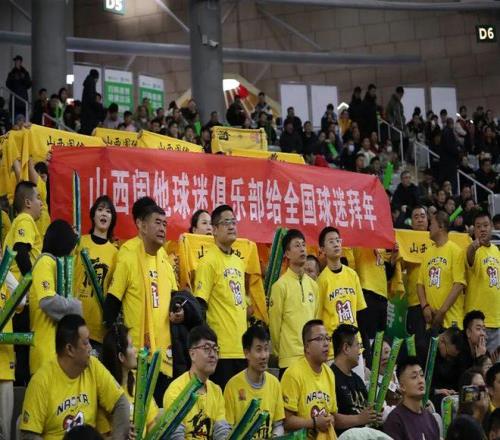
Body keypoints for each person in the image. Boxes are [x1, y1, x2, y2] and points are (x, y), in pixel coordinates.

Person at [104, 198, 177, 404]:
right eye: (157, 222)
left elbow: (174, 298)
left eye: (165, 224)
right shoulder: (128, 256)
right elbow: (112, 302)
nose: (162, 228)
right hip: (137, 357)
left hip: (165, 359)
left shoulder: (165, 260)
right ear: (142, 226)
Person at [20, 314, 130, 439]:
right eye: (86, 343)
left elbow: (120, 403)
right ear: (70, 349)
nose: (90, 348)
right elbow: (29, 435)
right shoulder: (41, 381)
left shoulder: (93, 366)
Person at [194, 205, 247, 389]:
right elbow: (200, 305)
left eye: (233, 222)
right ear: (215, 229)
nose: (232, 226)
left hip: (242, 349)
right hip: (221, 351)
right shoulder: (208, 261)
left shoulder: (239, 262)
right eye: (226, 222)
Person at [3, 181, 44, 384]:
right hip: (20, 297)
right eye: (38, 198)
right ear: (28, 202)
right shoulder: (25, 220)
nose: (41, 204)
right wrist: (29, 287)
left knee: (20, 349)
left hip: (15, 297)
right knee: (22, 351)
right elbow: (21, 251)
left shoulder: (21, 222)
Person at [29, 220, 82, 375]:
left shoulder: (56, 264)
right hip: (46, 353)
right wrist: (76, 307)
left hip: (56, 353)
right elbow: (48, 302)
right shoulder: (45, 262)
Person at [163, 325, 231, 439]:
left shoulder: (216, 391)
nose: (213, 354)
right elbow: (175, 435)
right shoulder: (176, 390)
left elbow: (222, 433)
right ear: (192, 354)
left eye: (215, 349)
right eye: (206, 348)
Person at [269, 229, 318, 377]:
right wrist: (280, 353)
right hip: (289, 359)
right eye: (297, 245)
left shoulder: (313, 285)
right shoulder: (280, 286)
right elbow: (275, 325)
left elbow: (316, 320)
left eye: (303, 245)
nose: (302, 248)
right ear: (287, 253)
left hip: (310, 357)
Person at [224, 325, 285, 438]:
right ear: (246, 353)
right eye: (258, 350)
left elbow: (278, 425)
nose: (264, 356)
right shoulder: (232, 386)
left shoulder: (274, 383)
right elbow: (227, 429)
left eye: (266, 349)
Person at [74, 196, 118, 352]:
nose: (104, 214)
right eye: (100, 210)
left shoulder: (115, 253)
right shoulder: (79, 242)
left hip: (98, 329)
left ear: (112, 219)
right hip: (75, 320)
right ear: (93, 216)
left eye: (108, 211)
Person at [98, 324, 158, 436]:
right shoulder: (103, 390)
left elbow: (151, 423)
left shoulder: (139, 380)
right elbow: (103, 436)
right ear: (121, 356)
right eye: (131, 346)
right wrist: (121, 433)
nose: (136, 350)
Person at [281, 320, 337, 438]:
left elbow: (332, 414)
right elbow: (286, 421)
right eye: (320, 339)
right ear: (307, 347)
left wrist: (330, 419)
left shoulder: (330, 373)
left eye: (327, 338)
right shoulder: (293, 374)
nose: (326, 343)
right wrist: (314, 423)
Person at [317, 227, 366, 360]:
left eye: (338, 240)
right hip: (334, 350)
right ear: (322, 249)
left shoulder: (352, 275)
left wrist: (364, 347)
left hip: (355, 346)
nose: (336, 244)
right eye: (331, 241)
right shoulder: (321, 281)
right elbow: (318, 319)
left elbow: (360, 313)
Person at [417, 211, 467, 329]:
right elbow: (419, 284)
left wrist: (441, 312)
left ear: (441, 226)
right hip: (431, 322)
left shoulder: (456, 251)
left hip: (452, 322)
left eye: (432, 224)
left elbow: (459, 284)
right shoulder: (427, 253)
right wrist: (425, 307)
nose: (429, 227)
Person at [331, 324, 381, 434]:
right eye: (358, 345)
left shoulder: (357, 379)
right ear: (346, 348)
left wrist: (375, 415)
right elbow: (331, 418)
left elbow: (367, 409)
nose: (360, 350)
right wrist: (359, 419)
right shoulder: (330, 377)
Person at [465, 211, 500, 354]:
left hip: (496, 319)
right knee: (479, 363)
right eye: (478, 226)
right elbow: (470, 256)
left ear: (491, 227)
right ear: (474, 230)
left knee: (495, 365)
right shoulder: (472, 249)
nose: (482, 229)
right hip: (478, 322)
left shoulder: (496, 251)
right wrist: (473, 246)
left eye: (485, 225)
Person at [383, 356, 440, 440]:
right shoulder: (395, 421)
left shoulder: (430, 418)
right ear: (402, 386)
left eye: (421, 375)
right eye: (414, 377)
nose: (420, 381)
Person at [403, 206, 429, 345]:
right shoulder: (406, 242)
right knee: (420, 344)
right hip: (415, 301)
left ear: (428, 220)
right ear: (411, 223)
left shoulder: (436, 240)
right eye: (416, 217)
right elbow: (400, 267)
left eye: (423, 216)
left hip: (437, 301)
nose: (420, 220)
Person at [6, 55, 31, 119]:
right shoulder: (12, 73)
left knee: (23, 118)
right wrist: (14, 80)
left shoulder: (25, 73)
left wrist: (23, 79)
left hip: (23, 99)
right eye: (16, 61)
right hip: (15, 99)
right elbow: (8, 84)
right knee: (14, 118)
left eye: (18, 61)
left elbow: (29, 84)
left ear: (20, 62)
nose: (16, 62)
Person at [81, 69, 101, 135]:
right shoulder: (91, 83)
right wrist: (99, 106)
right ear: (96, 77)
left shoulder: (87, 82)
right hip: (89, 116)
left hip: (85, 114)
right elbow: (91, 100)